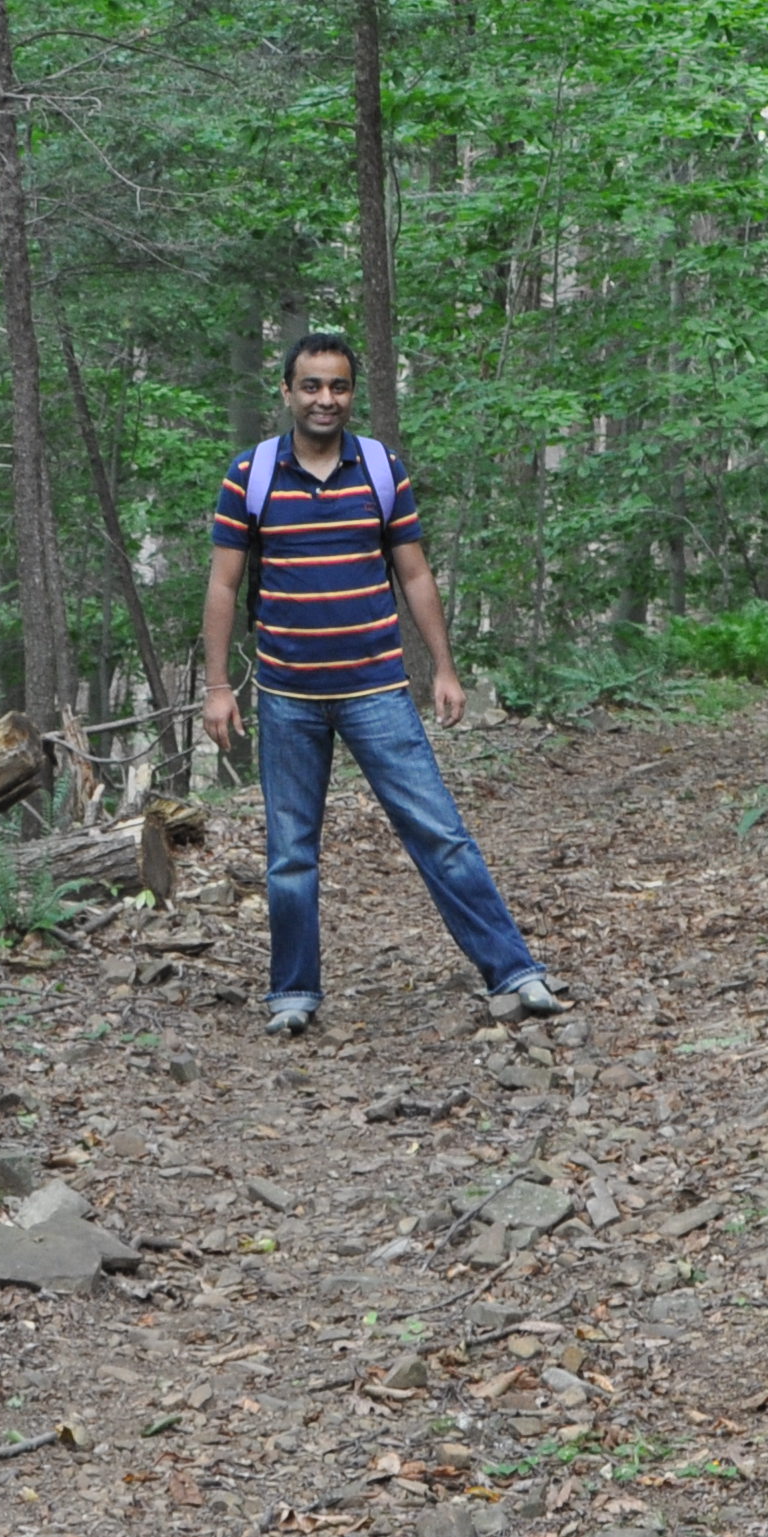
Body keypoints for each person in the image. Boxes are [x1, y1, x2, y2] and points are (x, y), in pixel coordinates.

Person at [197, 331, 566, 1039]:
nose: (325, 399)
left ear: (351, 393)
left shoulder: (380, 468)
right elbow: (222, 584)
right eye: (311, 386)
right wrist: (219, 687)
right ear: (286, 392)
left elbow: (416, 573)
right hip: (288, 694)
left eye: (337, 386)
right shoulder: (252, 475)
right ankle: (293, 993)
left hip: (376, 689)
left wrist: (446, 670)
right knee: (290, 854)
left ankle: (514, 972)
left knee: (440, 834)